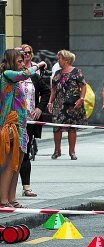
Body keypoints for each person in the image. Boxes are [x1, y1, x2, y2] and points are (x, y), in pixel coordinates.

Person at [0, 49, 46, 208]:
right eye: (19, 61)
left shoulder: (15, 79)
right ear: (12, 61)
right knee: (8, 165)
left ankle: (12, 199)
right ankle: (4, 200)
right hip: (9, 125)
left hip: (21, 125)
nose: (22, 64)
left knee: (16, 165)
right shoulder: (7, 75)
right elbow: (24, 74)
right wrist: (39, 65)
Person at [19, 44, 50, 199]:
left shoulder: (34, 75)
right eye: (22, 53)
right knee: (10, 155)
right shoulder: (11, 74)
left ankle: (26, 187)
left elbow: (46, 91)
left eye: (28, 53)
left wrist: (39, 108)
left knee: (25, 153)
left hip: (29, 121)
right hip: (12, 121)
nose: (26, 55)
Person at [48, 50, 87, 161]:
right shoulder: (57, 73)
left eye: (59, 58)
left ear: (66, 60)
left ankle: (72, 151)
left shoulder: (76, 71)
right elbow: (53, 89)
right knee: (56, 127)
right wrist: (50, 102)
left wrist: (81, 98)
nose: (58, 61)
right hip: (59, 104)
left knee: (71, 128)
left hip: (72, 104)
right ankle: (57, 150)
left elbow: (83, 86)